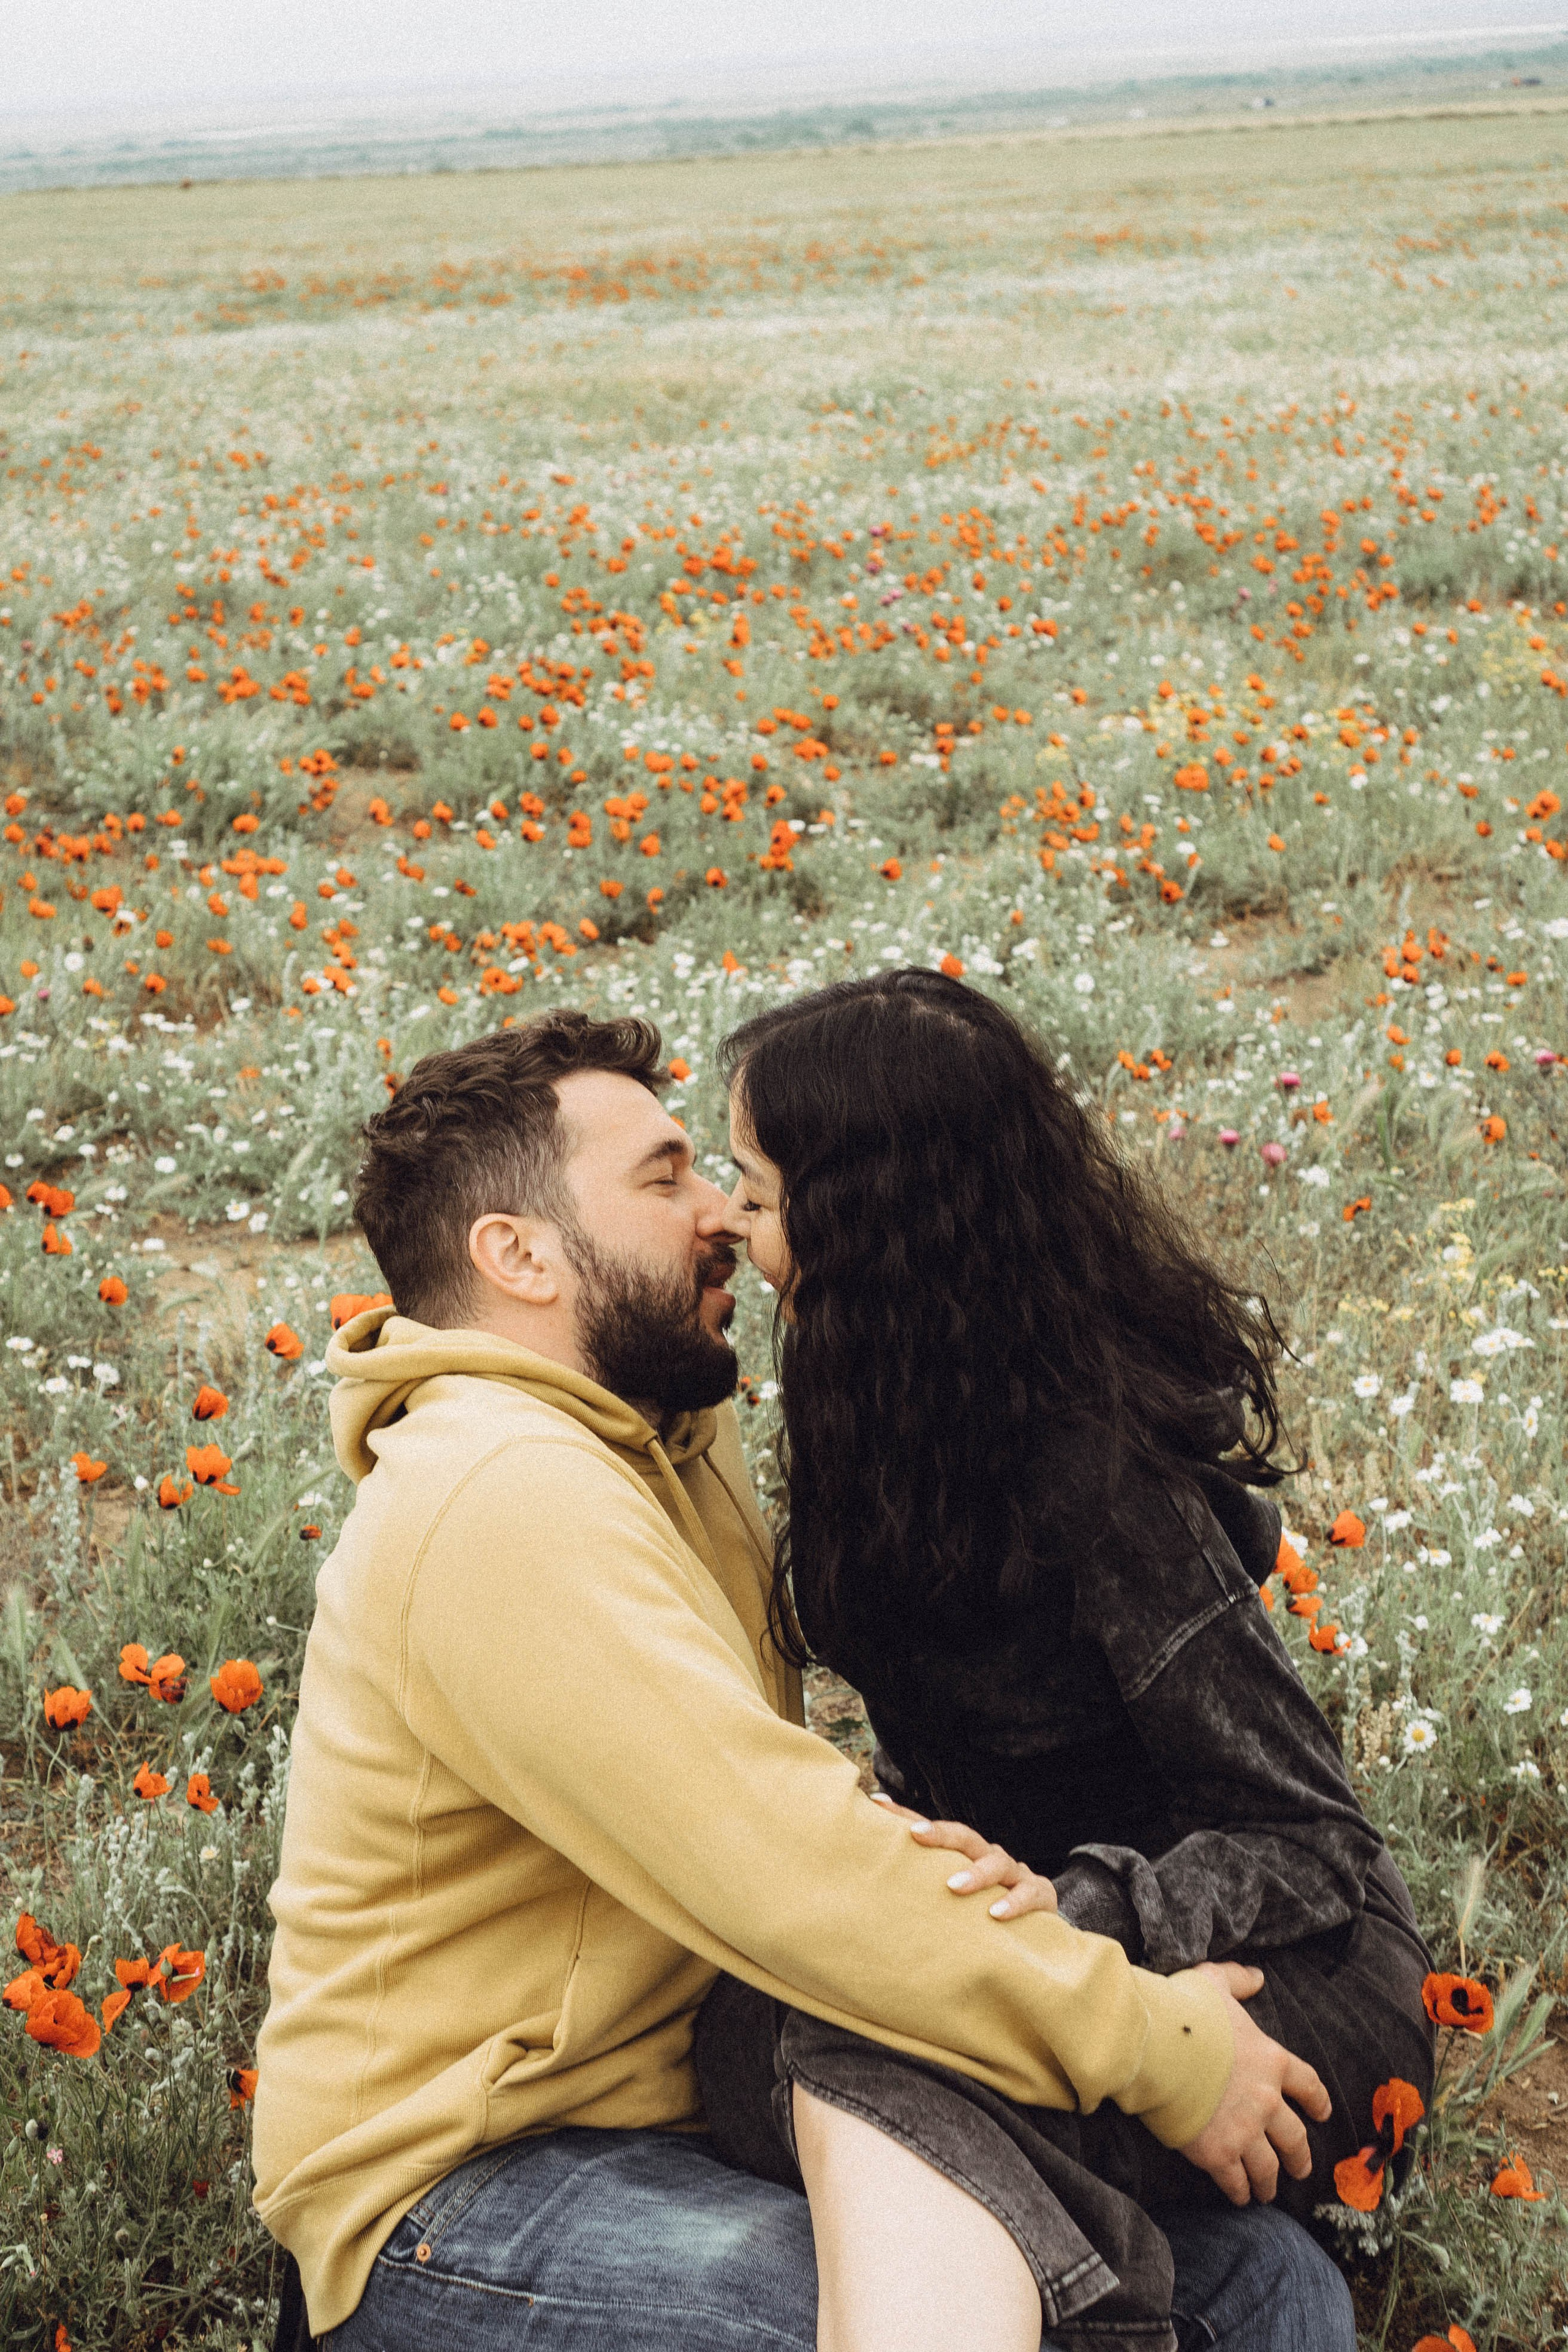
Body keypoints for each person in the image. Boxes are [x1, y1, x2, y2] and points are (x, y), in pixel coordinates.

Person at [254, 1007, 1346, 2352]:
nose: (725, 1213)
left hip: (691, 2110)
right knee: (1006, 2318)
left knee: (1261, 2284)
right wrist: (1147, 2039)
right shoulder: (496, 1492)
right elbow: (783, 1859)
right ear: (518, 1254)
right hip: (462, 2194)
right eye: (663, 1178)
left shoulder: (656, 1443)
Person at [691, 967, 1433, 2349]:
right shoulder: (871, 1389)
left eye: (756, 1187)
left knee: (807, 2062)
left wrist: (1082, 1913)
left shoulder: (1096, 1472)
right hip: (1037, 1966)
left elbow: (1310, 1841)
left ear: (869, 1218)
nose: (732, 1224)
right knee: (750, 2039)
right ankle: (1184, 2290)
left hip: (1266, 1980)